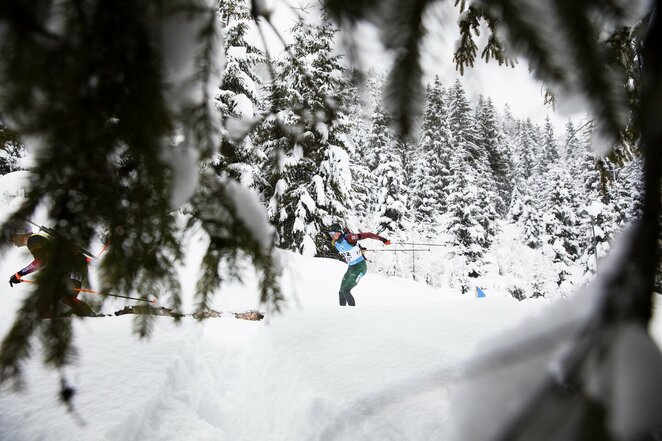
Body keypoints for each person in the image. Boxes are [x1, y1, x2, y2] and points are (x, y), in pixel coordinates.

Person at [7, 223, 96, 317]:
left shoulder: (33, 240)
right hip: (69, 268)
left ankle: (91, 317)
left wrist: (19, 274)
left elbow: (40, 261)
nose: (11, 240)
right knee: (45, 304)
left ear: (22, 234)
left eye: (13, 236)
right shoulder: (37, 238)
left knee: (63, 299)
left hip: (73, 267)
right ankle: (80, 316)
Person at [327, 223, 390, 306]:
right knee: (341, 291)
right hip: (351, 267)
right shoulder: (335, 242)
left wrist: (383, 239)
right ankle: (342, 314)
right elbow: (351, 248)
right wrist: (358, 248)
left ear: (338, 232)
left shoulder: (349, 238)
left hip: (360, 267)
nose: (332, 236)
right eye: (330, 234)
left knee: (346, 290)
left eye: (332, 233)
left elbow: (368, 235)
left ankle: (353, 314)